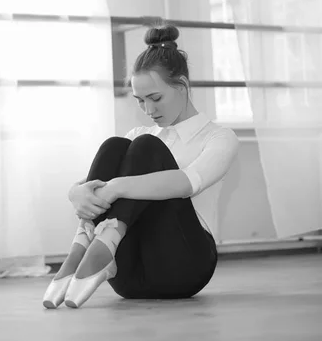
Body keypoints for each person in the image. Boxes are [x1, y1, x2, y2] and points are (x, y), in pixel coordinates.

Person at [42, 24, 239, 309]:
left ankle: (103, 242)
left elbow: (187, 183)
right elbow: (91, 185)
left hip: (183, 267)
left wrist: (117, 187)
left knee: (147, 146)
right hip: (127, 277)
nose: (149, 110)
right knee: (114, 145)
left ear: (182, 86)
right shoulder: (134, 137)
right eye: (140, 101)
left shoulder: (219, 137)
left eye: (155, 98)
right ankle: (87, 244)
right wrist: (78, 193)